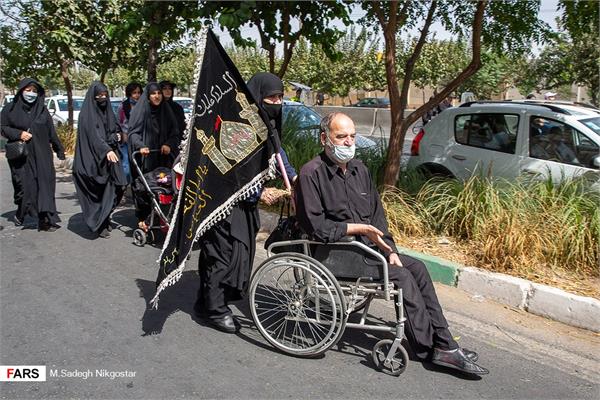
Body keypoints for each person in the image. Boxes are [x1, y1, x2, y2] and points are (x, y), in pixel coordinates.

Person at [295, 112, 489, 375]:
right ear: (324, 138)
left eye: (352, 136)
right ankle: (427, 348)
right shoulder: (311, 173)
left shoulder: (359, 170)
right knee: (400, 277)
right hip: (336, 253)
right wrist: (356, 228)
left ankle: (443, 343)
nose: (348, 142)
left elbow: (378, 219)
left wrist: (391, 250)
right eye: (341, 137)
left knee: (417, 268)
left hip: (368, 250)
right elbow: (315, 227)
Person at [193, 71, 296, 334]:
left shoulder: (267, 127)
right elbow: (229, 170)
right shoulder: (237, 126)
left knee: (238, 254)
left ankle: (207, 303)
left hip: (244, 207)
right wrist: (258, 193)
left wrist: (295, 179)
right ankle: (215, 310)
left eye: (280, 97)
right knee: (220, 255)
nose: (277, 103)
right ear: (257, 97)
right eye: (271, 97)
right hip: (223, 203)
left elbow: (278, 155)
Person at [1, 77, 65, 231]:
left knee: (45, 186)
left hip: (42, 155)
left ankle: (45, 220)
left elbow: (51, 132)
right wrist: (18, 133)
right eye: (28, 90)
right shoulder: (10, 109)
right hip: (21, 157)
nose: (31, 94)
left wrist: (59, 149)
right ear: (21, 91)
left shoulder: (42, 110)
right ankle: (21, 212)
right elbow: (2, 127)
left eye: (34, 91)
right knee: (24, 189)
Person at [73, 81, 128, 238]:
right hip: (93, 160)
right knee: (99, 193)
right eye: (99, 95)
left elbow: (115, 129)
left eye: (105, 95)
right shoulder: (86, 115)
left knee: (120, 185)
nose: (103, 98)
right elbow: (93, 136)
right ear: (93, 96)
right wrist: (106, 150)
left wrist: (117, 136)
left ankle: (105, 215)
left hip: (111, 157)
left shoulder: (109, 112)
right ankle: (100, 223)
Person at [128, 82, 180, 231]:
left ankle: (160, 216)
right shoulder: (141, 111)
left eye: (159, 93)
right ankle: (143, 218)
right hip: (146, 158)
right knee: (145, 187)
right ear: (148, 96)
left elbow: (174, 132)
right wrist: (140, 146)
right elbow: (133, 134)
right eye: (153, 94)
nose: (157, 96)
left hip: (163, 156)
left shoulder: (166, 110)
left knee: (163, 186)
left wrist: (169, 144)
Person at [117, 82, 143, 183]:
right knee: (126, 168)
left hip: (140, 141)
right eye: (134, 93)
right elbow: (119, 123)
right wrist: (122, 135)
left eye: (138, 92)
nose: (137, 95)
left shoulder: (144, 106)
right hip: (126, 141)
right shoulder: (123, 107)